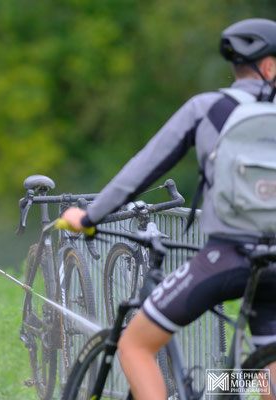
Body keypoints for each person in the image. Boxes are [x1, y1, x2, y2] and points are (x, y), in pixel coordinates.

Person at [61, 18, 276, 399]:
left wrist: (90, 217)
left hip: (226, 257)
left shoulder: (207, 108)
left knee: (135, 345)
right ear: (270, 66)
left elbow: (142, 170)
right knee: (269, 369)